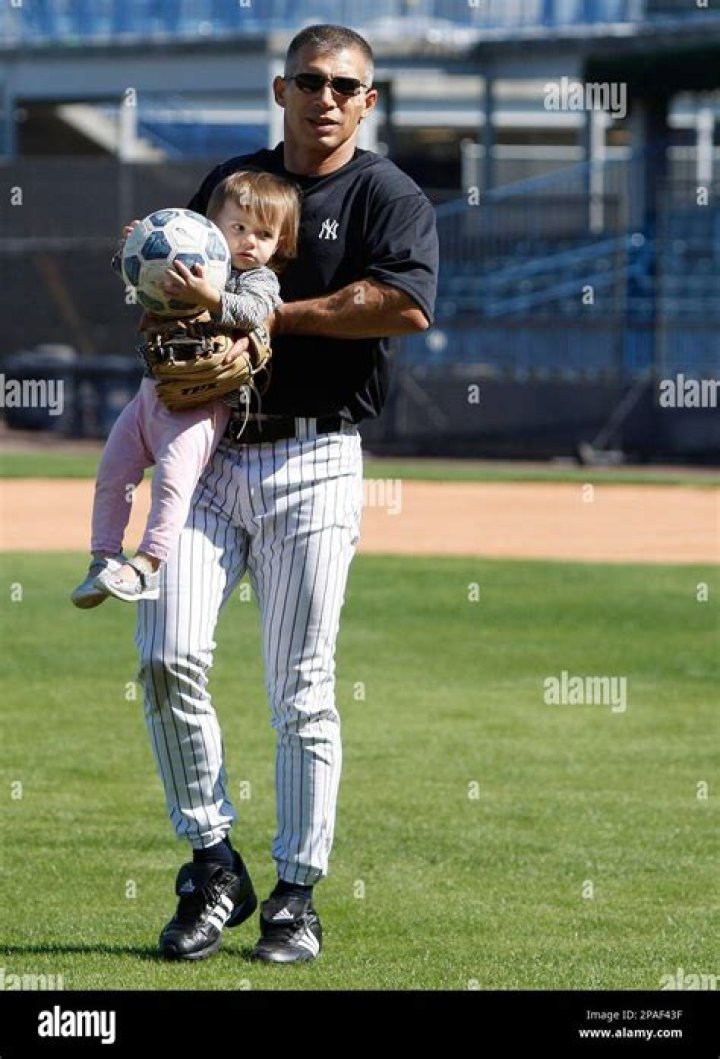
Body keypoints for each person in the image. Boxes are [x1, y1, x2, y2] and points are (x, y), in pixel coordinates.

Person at [135, 23, 439, 964]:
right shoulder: (231, 184)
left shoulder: (385, 192)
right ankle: (213, 860)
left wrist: (270, 320)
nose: (327, 98)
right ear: (280, 89)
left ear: (368, 101)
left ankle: (295, 896)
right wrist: (177, 323)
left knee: (301, 688)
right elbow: (174, 289)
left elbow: (406, 301)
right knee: (165, 650)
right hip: (217, 450)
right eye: (310, 81)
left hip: (316, 460)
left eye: (346, 86)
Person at [71, 170, 300, 606]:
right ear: (213, 229)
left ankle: (149, 566)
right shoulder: (192, 258)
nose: (251, 241)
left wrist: (210, 297)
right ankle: (103, 557)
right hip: (149, 395)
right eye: (239, 228)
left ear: (279, 245)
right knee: (113, 472)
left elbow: (251, 312)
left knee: (171, 483)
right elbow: (138, 278)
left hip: (199, 406)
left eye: (265, 234)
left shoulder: (259, 280)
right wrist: (134, 248)